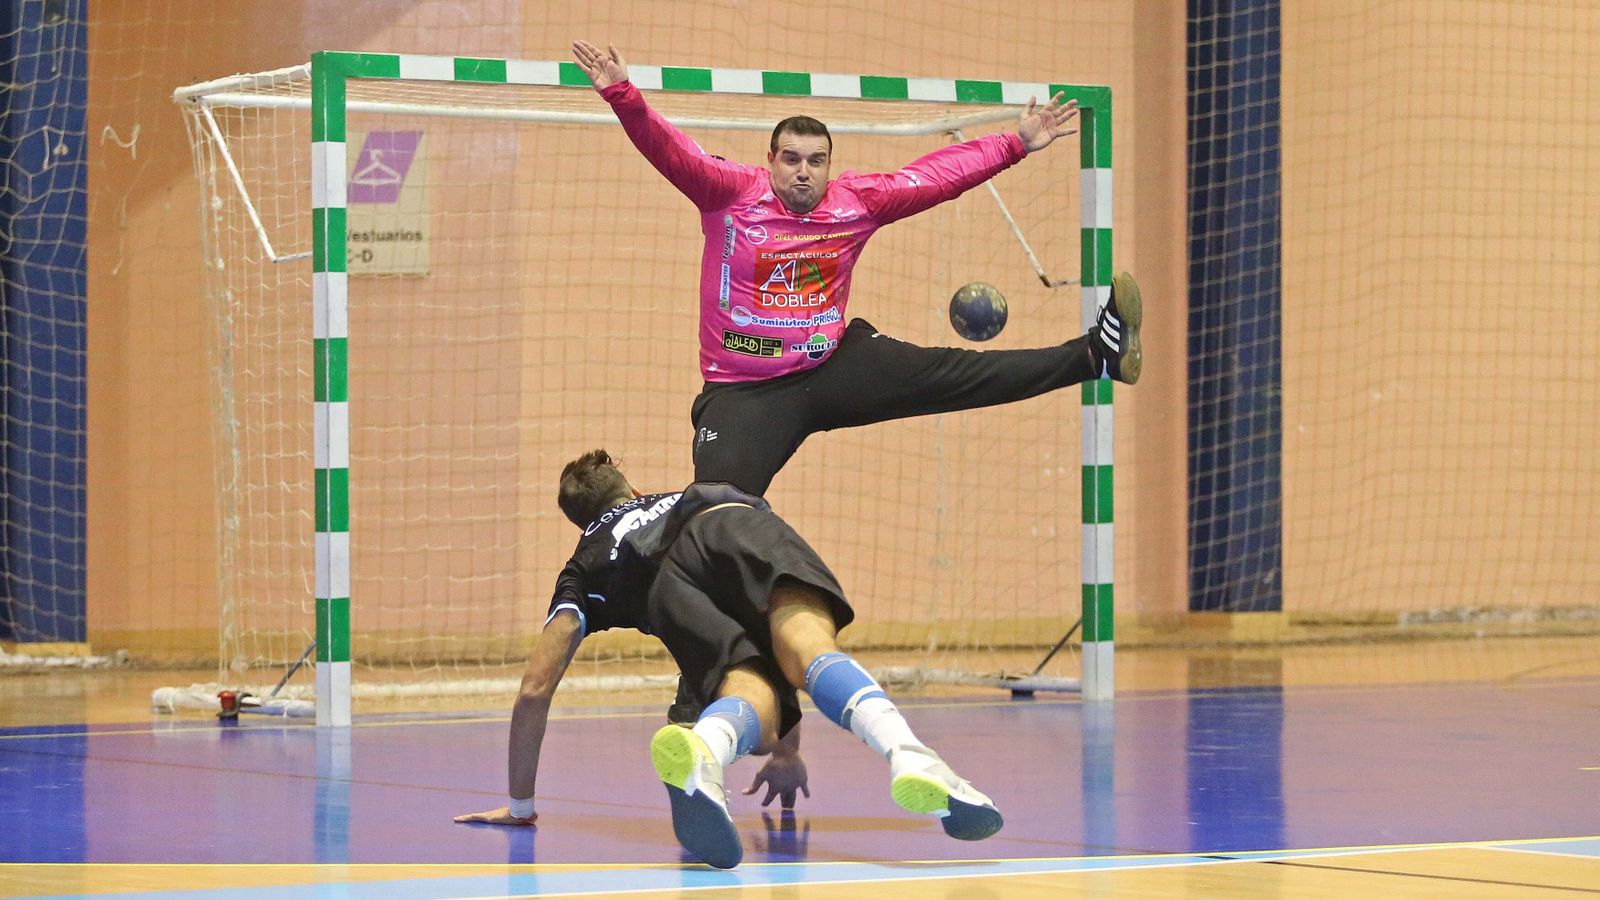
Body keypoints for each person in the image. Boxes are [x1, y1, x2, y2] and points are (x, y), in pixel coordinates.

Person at [571, 40, 1143, 497]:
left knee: (964, 375)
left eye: (815, 161)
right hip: (744, 393)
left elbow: (936, 177)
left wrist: (1015, 143)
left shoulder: (856, 204)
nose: (803, 172)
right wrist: (623, 93)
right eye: (790, 159)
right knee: (714, 511)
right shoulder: (727, 194)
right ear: (769, 161)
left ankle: (1098, 354)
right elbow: (670, 149)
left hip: (834, 365)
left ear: (829, 167)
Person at [454, 450, 1004, 869]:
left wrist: (521, 805)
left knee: (749, 694)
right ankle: (909, 755)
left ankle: (706, 749)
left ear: (581, 520)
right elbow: (723, 507)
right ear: (632, 489)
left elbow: (534, 689)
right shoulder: (671, 498)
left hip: (667, 591)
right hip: (720, 522)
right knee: (809, 649)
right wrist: (792, 753)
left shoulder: (584, 565)